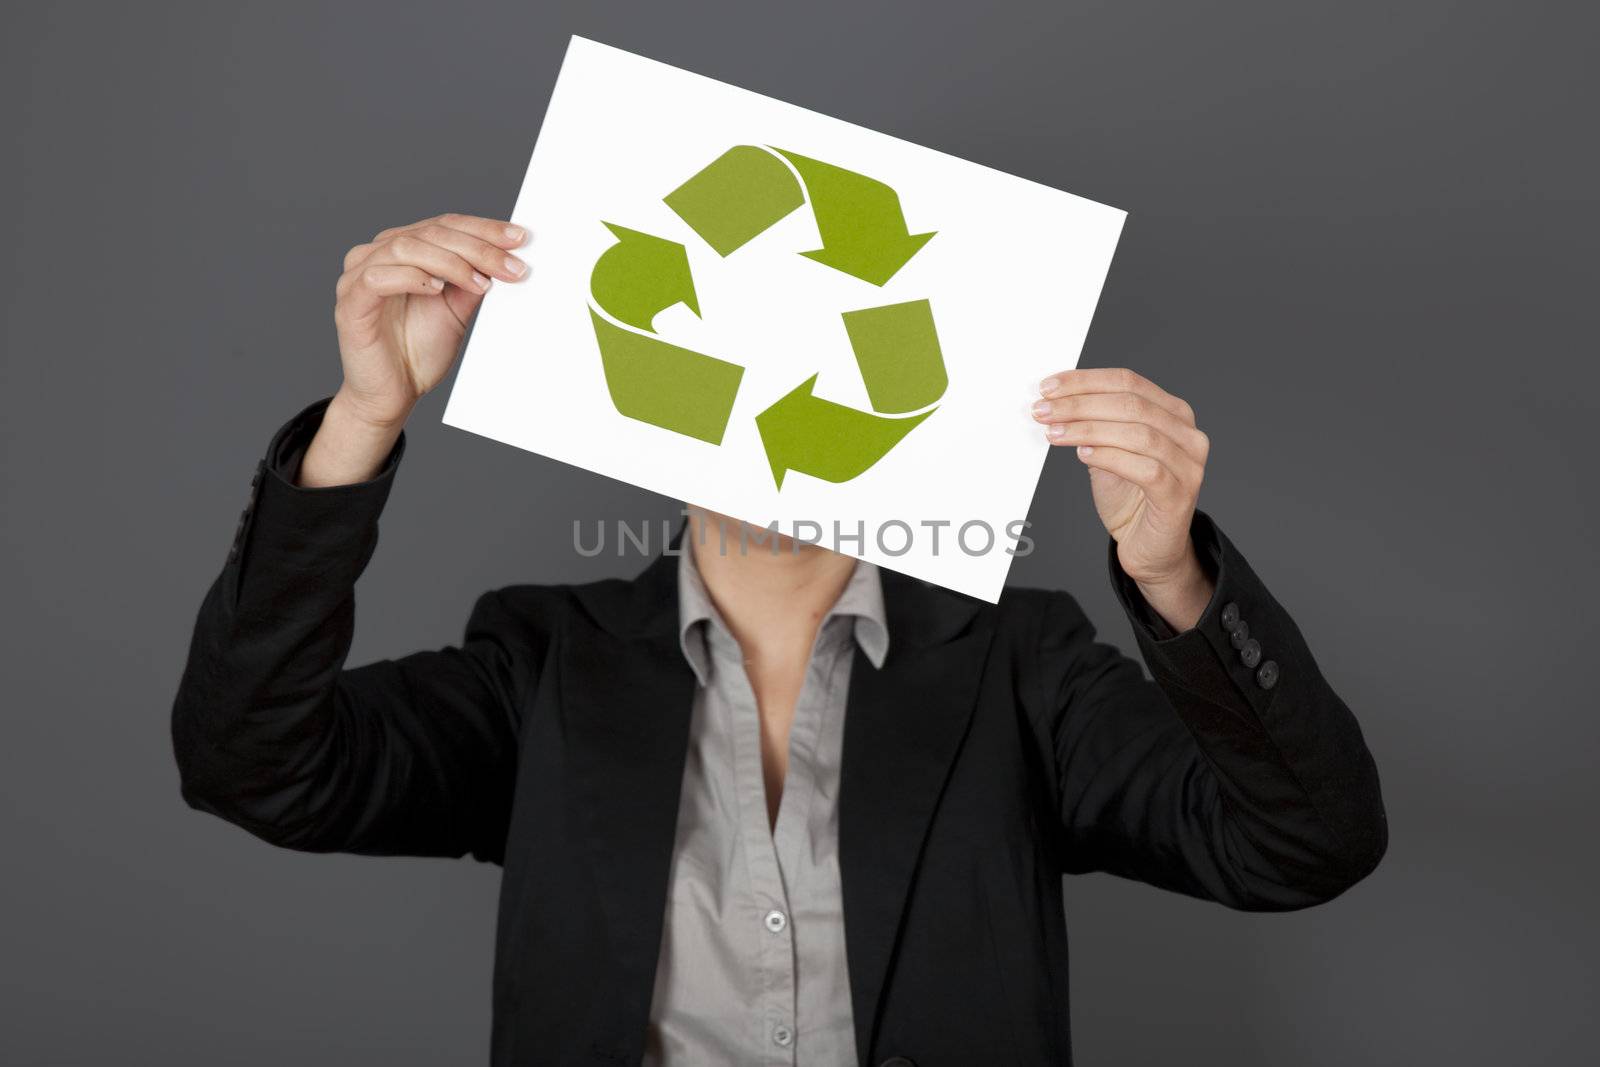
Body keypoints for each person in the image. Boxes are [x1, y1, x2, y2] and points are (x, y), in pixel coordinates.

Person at [172, 212, 1387, 1066]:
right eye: (740, 347)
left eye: (824, 350)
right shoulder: (546, 663)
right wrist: (362, 420)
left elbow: (1305, 844)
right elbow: (255, 763)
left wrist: (1168, 569)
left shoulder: (1020, 665)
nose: (779, 397)